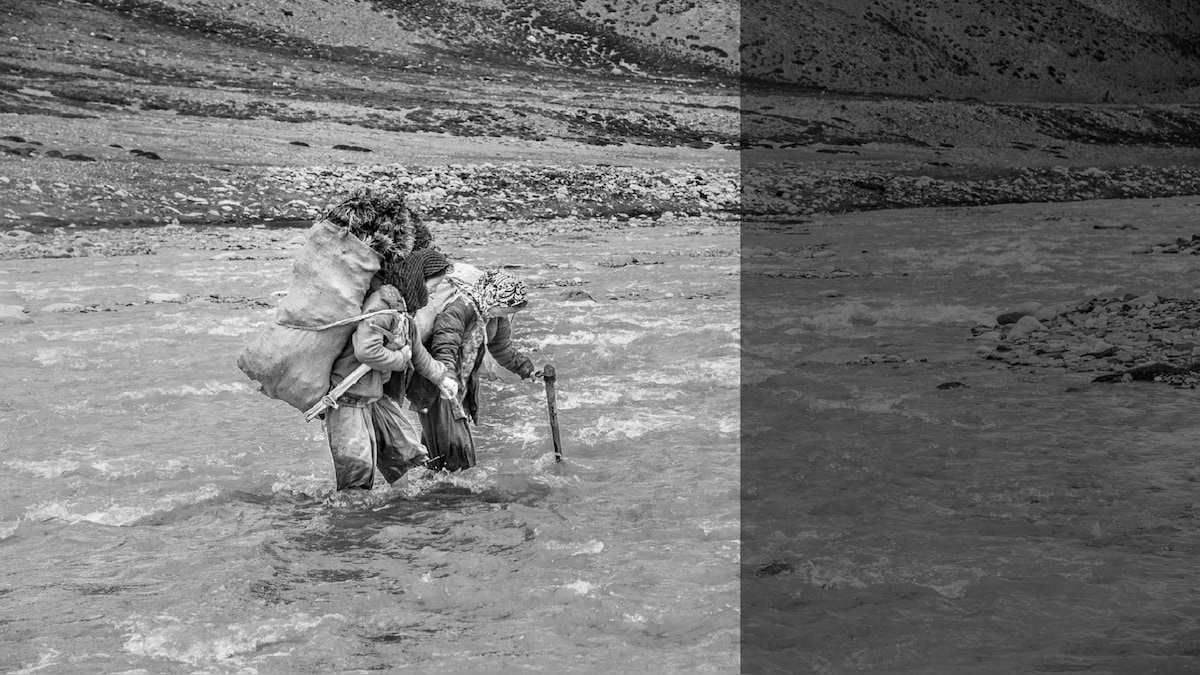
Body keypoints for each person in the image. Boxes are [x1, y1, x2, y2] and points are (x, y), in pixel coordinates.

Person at [322, 253, 457, 491]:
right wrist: (398, 359)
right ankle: (351, 521)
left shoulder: (404, 312)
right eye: (432, 286)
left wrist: (442, 377)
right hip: (348, 399)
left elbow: (418, 355)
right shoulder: (383, 307)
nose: (434, 292)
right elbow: (366, 351)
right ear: (417, 280)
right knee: (357, 471)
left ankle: (401, 508)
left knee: (401, 453)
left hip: (374, 398)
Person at [414, 268, 541, 471]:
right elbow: (444, 344)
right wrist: (444, 377)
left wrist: (526, 369)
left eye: (509, 312)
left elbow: (502, 348)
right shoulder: (460, 308)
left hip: (463, 386)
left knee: (442, 446)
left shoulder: (494, 315)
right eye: (505, 309)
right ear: (494, 295)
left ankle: (434, 490)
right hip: (439, 387)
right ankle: (450, 493)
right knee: (456, 446)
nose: (506, 315)